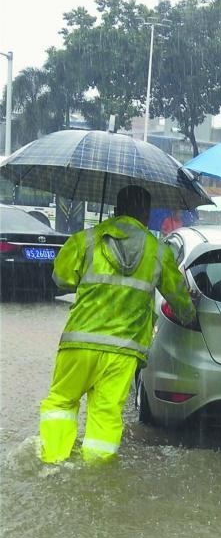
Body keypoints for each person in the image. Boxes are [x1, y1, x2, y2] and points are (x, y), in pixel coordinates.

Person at [39, 185, 197, 464]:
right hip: (124, 350)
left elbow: (61, 279)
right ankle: (95, 472)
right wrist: (190, 314)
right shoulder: (158, 251)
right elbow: (179, 299)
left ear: (115, 209)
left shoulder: (86, 240)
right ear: (146, 214)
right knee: (106, 414)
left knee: (62, 402)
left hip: (79, 342)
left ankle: (53, 461)